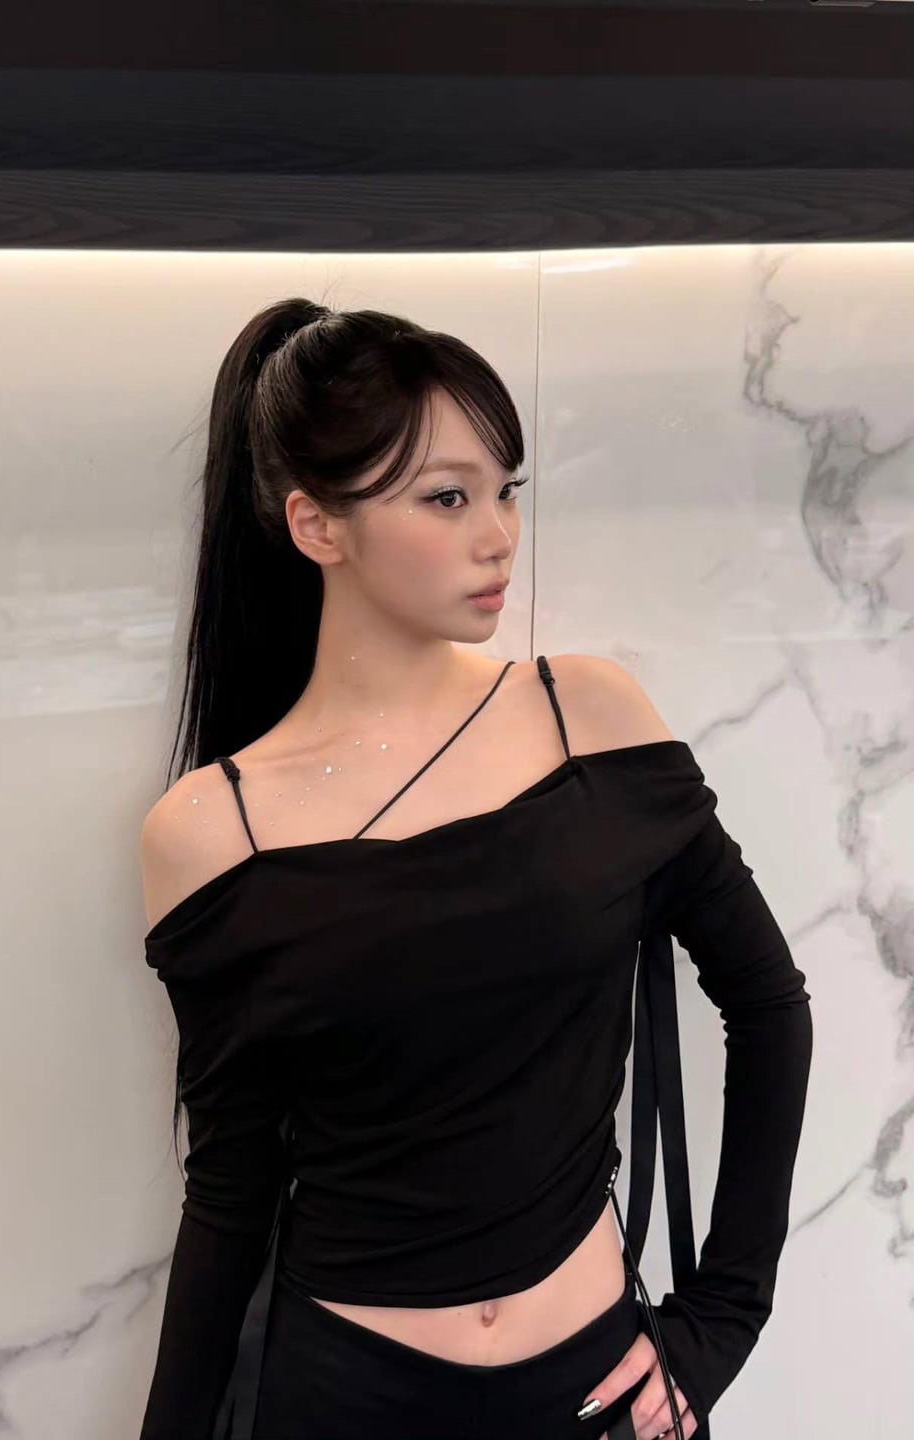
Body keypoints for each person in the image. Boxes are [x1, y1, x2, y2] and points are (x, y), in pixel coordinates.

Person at [136, 298, 813, 1440]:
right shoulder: (214, 831)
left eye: (507, 490)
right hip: (342, 1397)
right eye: (447, 498)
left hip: (596, 1389)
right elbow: (231, 1190)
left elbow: (768, 1002)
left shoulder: (587, 720)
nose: (498, 535)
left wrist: (722, 1323)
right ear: (317, 525)